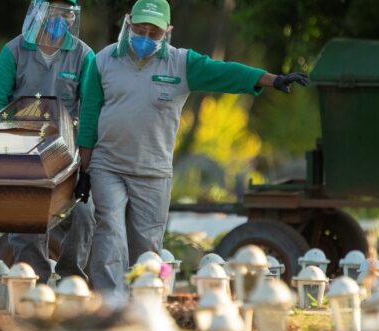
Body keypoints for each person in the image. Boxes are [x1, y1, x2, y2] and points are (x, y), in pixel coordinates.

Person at [75, 0, 309, 298]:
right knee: (109, 229)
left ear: (167, 31)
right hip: (108, 165)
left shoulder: (181, 63)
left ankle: (144, 301)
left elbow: (225, 73)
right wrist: (85, 167)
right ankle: (111, 303)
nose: (145, 37)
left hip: (152, 172)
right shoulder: (103, 60)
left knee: (146, 245)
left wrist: (273, 80)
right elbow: (90, 115)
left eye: (154, 32)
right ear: (128, 23)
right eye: (140, 28)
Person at [0, 0, 96, 283]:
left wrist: (85, 164)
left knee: (83, 216)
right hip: (22, 153)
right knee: (25, 225)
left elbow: (90, 109)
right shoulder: (14, 51)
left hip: (66, 156)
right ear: (39, 13)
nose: (61, 20)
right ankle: (36, 285)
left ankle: (72, 279)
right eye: (55, 13)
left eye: (67, 15)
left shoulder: (83, 55)